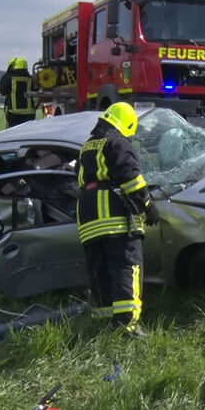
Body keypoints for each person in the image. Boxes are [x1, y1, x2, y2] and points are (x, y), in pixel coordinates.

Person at [76, 102, 160, 337]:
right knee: (126, 266)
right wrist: (148, 206)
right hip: (113, 216)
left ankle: (104, 325)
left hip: (88, 218)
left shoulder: (87, 147)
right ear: (127, 124)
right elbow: (131, 179)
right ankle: (128, 326)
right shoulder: (117, 142)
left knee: (100, 270)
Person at [0, 57, 36, 128]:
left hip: (14, 113)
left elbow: (3, 91)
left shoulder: (10, 78)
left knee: (13, 134)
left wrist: (8, 72)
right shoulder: (31, 79)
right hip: (30, 113)